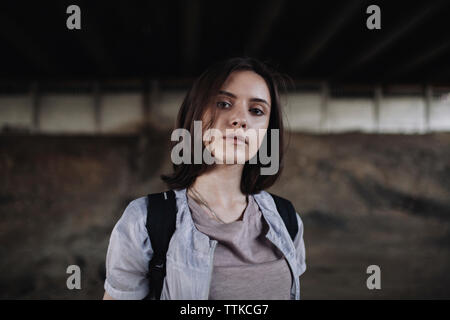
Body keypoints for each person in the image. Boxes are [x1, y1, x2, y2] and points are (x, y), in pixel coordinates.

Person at [103, 57, 306, 300]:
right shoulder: (145, 221)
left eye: (256, 110)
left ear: (266, 133)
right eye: (223, 103)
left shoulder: (286, 219)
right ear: (195, 114)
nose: (240, 119)